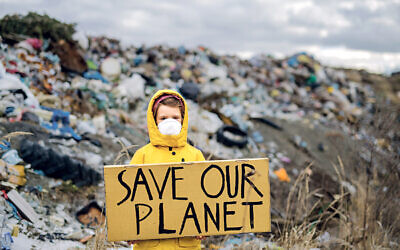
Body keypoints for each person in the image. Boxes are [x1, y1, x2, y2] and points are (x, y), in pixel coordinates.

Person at [129, 89, 205, 250]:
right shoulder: (142, 155)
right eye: (163, 118)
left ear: (183, 120)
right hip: (150, 245)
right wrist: (128, 230)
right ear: (154, 121)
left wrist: (205, 226)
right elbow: (129, 199)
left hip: (187, 244)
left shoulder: (195, 155)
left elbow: (205, 199)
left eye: (175, 117)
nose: (170, 122)